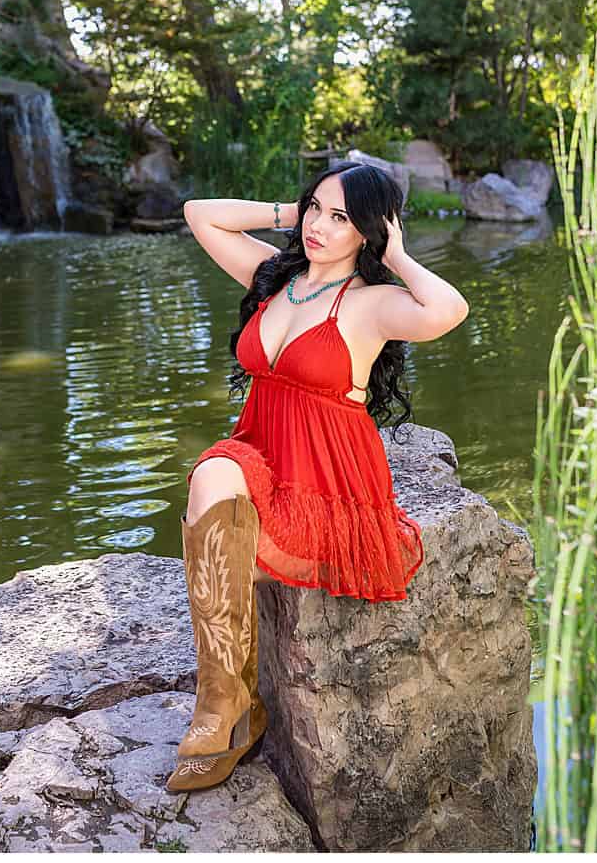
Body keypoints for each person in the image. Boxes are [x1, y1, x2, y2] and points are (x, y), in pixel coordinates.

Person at [168, 160, 469, 792]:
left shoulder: (371, 304)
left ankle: (228, 715)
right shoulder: (276, 278)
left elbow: (449, 309)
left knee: (217, 509)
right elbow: (201, 214)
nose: (320, 227)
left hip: (324, 485)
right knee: (212, 473)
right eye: (315, 210)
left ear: (368, 231)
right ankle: (226, 704)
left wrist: (398, 255)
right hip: (259, 459)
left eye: (340, 218)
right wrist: (289, 212)